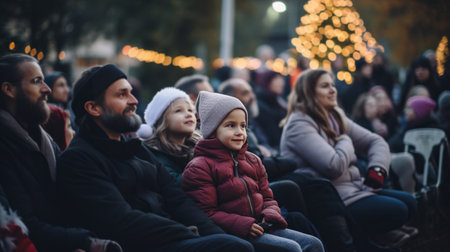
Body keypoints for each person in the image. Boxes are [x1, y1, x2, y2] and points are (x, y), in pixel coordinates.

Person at [56, 64, 254, 252]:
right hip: (145, 245)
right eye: (122, 94)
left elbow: (179, 201)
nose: (134, 101)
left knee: (238, 243)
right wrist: (189, 234)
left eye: (131, 93)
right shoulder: (78, 160)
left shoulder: (135, 149)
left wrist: (214, 234)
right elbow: (121, 220)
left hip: (177, 236)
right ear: (93, 108)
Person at [279, 68, 418, 248]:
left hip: (355, 188)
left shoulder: (334, 116)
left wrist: (377, 171)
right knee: (398, 210)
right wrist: (345, 138)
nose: (332, 90)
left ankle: (376, 236)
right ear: (308, 92)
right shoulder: (298, 124)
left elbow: (376, 142)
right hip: (333, 201)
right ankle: (370, 239)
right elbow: (333, 165)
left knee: (410, 203)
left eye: (332, 85)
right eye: (325, 86)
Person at [0, 54, 121, 252]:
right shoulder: (5, 146)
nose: (47, 89)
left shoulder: (45, 140)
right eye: (36, 81)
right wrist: (85, 241)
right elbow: (26, 224)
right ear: (9, 89)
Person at [182, 91, 324, 252]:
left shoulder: (252, 160)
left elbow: (268, 197)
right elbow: (206, 213)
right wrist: (244, 225)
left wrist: (268, 214)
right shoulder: (200, 167)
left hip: (262, 225)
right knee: (291, 248)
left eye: (243, 126)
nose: (239, 132)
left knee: (313, 243)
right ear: (212, 130)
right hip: (235, 233)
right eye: (231, 125)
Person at [352, 93, 416, 194]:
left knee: (408, 159)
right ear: (362, 107)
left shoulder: (378, 123)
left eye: (374, 105)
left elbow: (386, 143)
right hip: (370, 160)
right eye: (370, 105)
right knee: (406, 160)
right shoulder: (357, 125)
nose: (374, 108)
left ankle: (409, 193)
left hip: (384, 154)